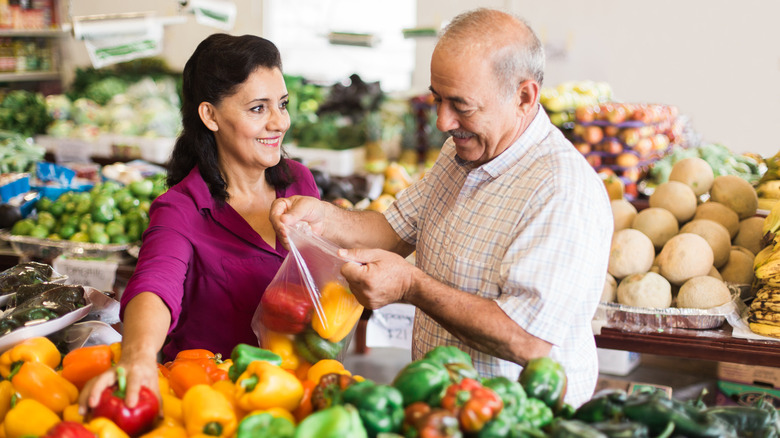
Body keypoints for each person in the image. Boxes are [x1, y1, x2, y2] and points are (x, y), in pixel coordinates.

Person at [270, 8, 612, 407]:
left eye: (461, 106)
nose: (443, 122)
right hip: (444, 412)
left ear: (523, 97)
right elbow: (394, 229)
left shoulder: (561, 191)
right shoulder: (462, 153)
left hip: (513, 422)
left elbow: (528, 339)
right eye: (437, 99)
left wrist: (412, 286)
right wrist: (324, 217)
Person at [79, 33, 319, 411]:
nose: (279, 122)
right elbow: (155, 285)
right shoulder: (182, 208)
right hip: (215, 403)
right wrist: (139, 355)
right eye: (258, 108)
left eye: (282, 104)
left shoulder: (299, 183)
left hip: (299, 393)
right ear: (210, 115)